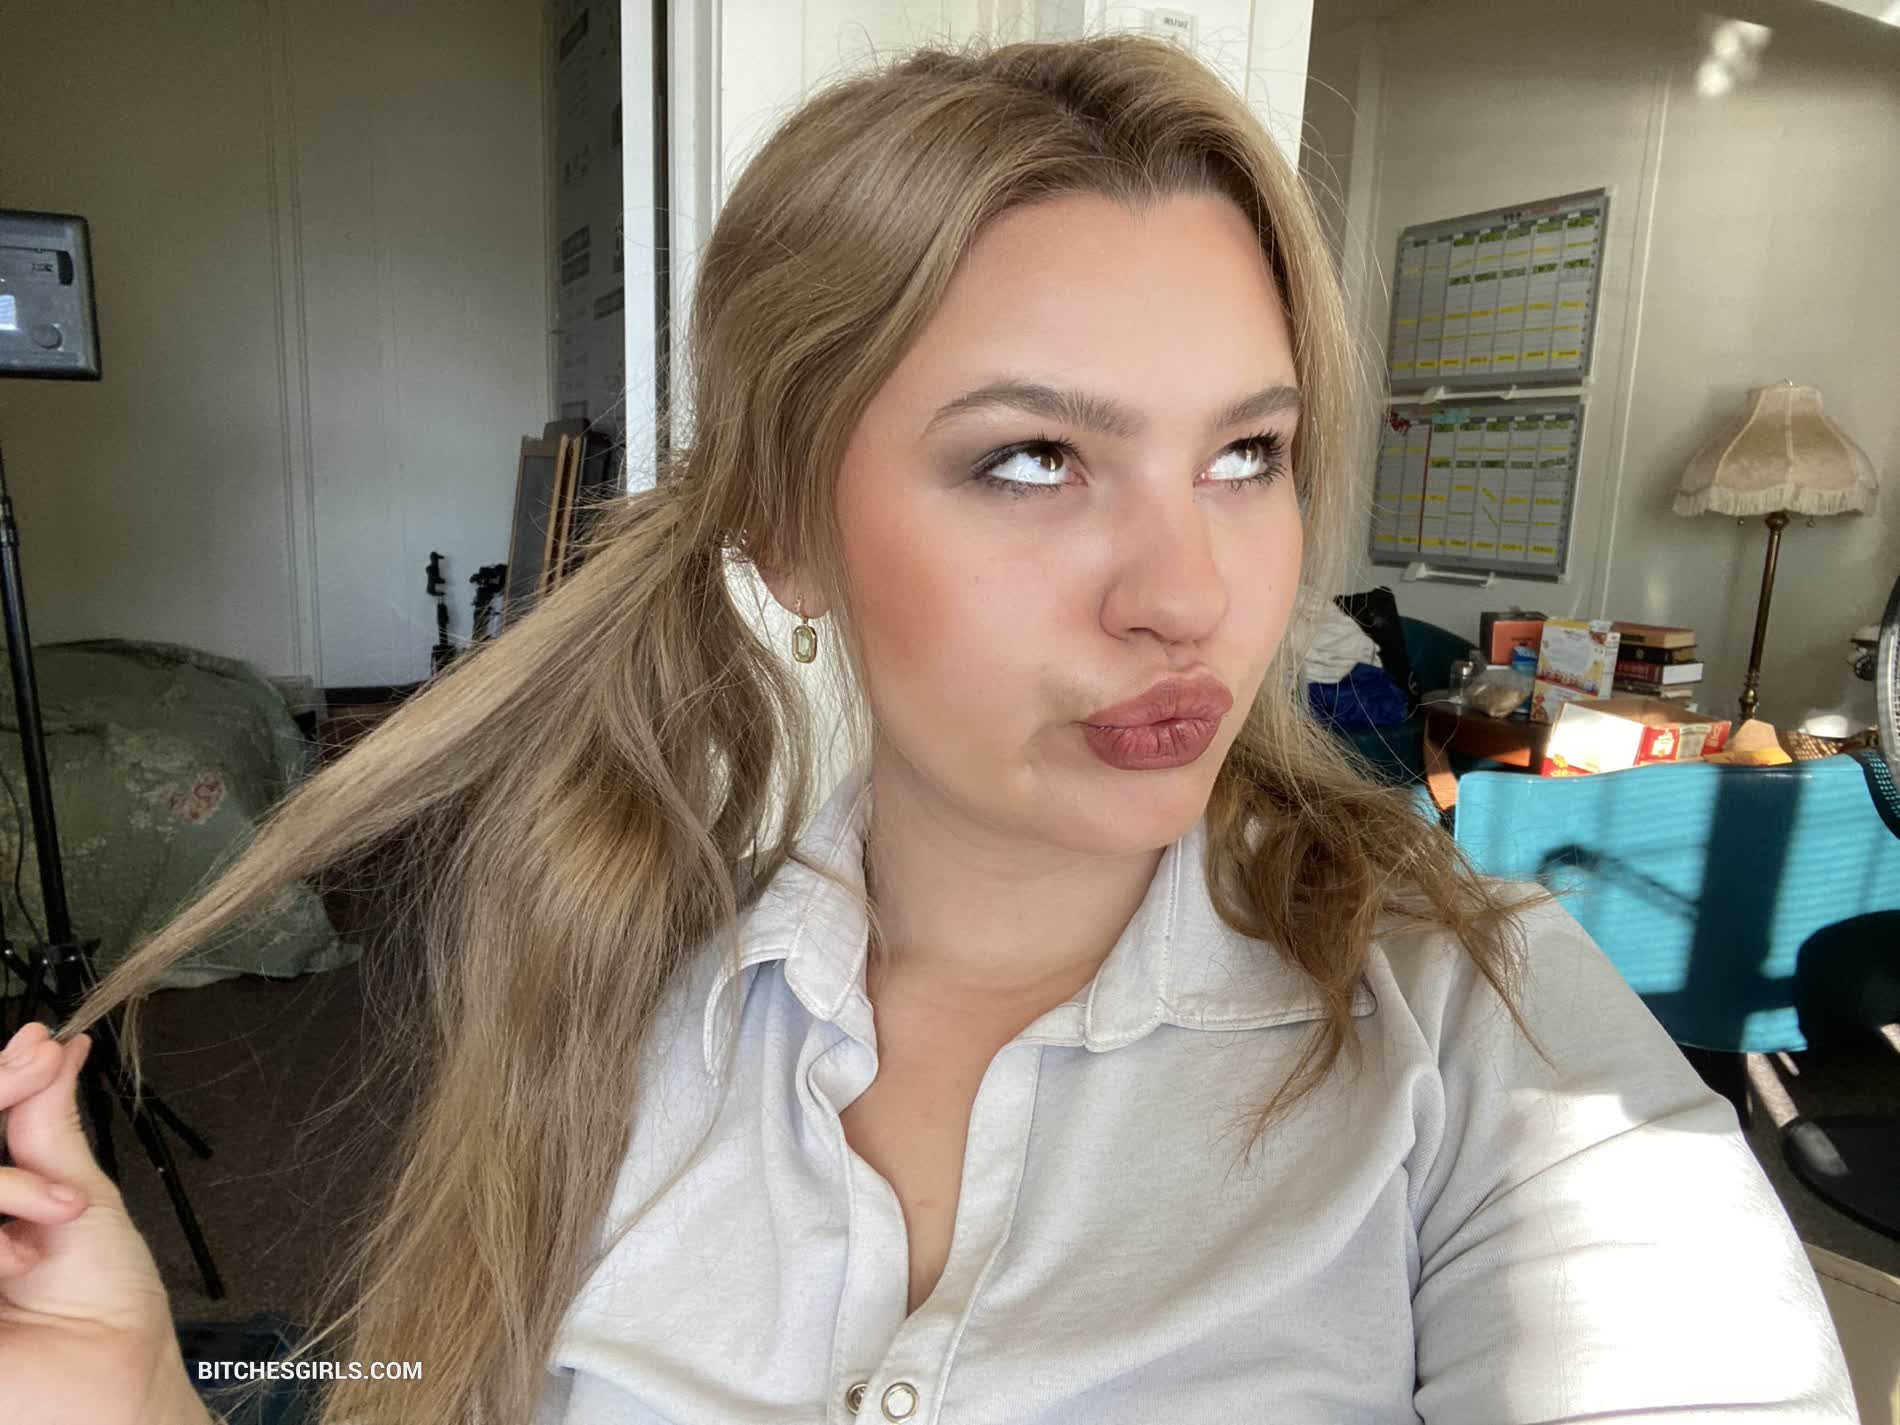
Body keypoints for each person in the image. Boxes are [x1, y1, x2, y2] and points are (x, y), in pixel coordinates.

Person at [0, 32, 1855, 1425]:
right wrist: (141, 1396)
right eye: (1033, 457)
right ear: (787, 529)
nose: (1187, 593)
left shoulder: (1489, 1038)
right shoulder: (610, 991)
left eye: (1247, 453)